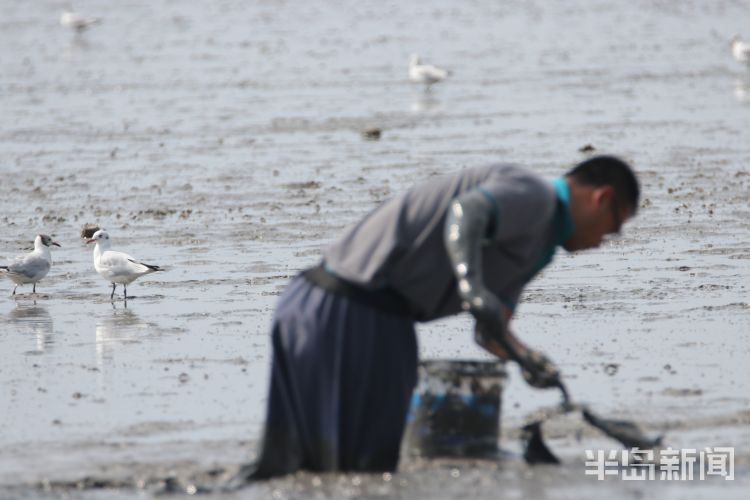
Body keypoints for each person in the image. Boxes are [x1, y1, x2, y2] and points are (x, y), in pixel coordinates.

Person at [248, 155, 640, 478]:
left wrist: (525, 358)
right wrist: (471, 286)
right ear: (601, 198)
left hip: (326, 310)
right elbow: (466, 213)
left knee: (305, 471)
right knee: (360, 472)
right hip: (351, 311)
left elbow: (490, 331)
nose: (600, 242)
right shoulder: (534, 195)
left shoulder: (540, 247)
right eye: (612, 229)